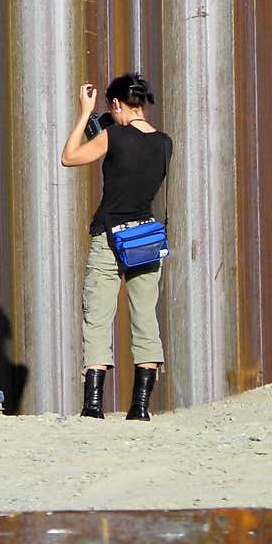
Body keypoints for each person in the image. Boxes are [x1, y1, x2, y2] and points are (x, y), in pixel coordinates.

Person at [60, 71, 173, 421]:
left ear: (117, 104)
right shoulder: (165, 142)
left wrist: (83, 114)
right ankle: (140, 408)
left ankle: (93, 407)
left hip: (110, 236)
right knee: (145, 318)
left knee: (97, 317)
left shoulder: (111, 136)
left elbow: (69, 157)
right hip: (146, 237)